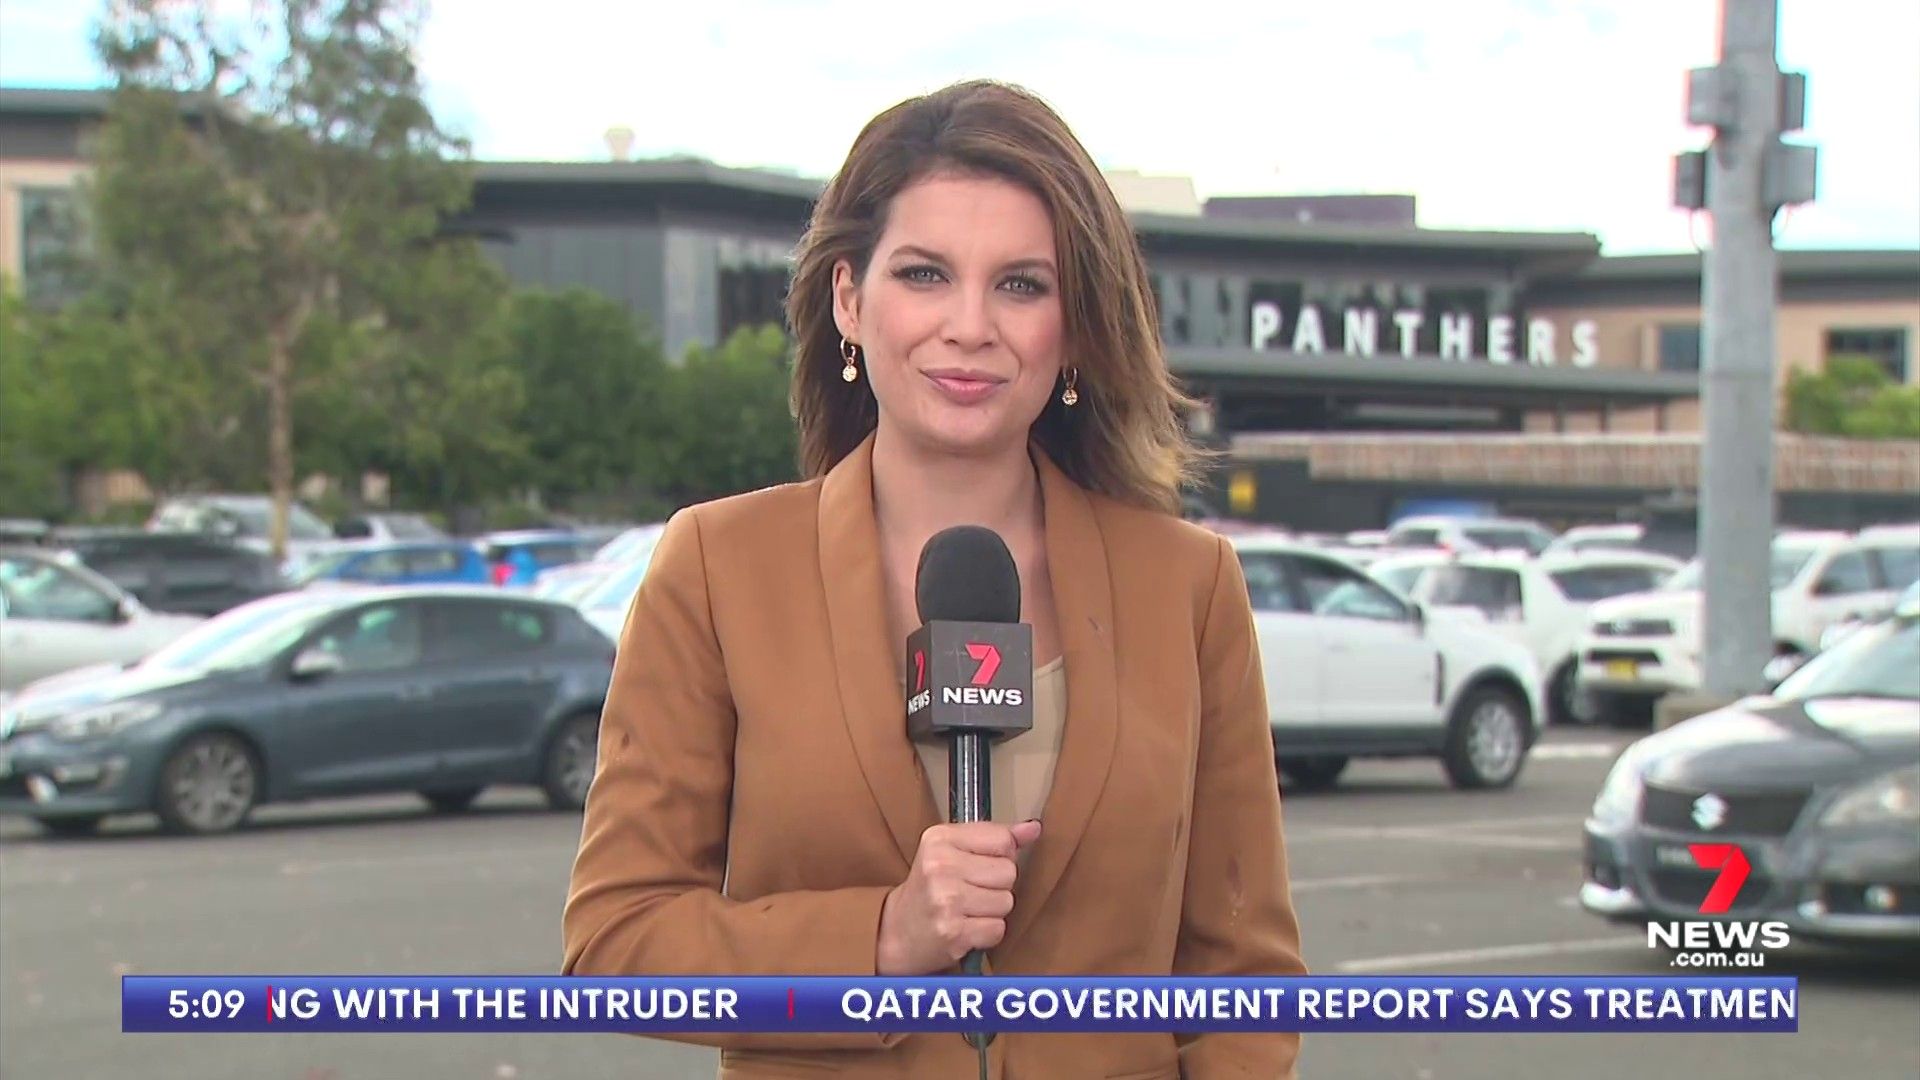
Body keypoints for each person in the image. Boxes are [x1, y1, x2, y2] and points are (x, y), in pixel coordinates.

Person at [563, 79, 1307, 1078]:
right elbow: (618, 944)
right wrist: (883, 939)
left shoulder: (1188, 586)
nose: (969, 325)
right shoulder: (717, 569)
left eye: (1021, 285)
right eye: (924, 274)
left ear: (1073, 327)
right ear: (849, 300)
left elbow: (1244, 978)